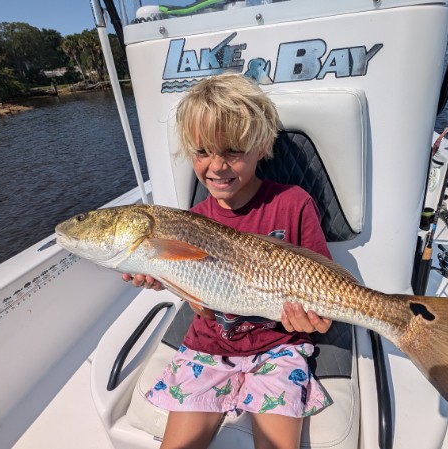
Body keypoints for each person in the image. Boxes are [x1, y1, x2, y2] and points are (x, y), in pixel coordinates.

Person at [122, 72, 333, 449]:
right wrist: (164, 276)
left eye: (232, 151)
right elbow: (204, 311)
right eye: (202, 152)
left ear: (261, 146)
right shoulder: (192, 222)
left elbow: (325, 286)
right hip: (209, 345)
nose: (217, 166)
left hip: (278, 346)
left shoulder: (293, 202)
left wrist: (317, 319)